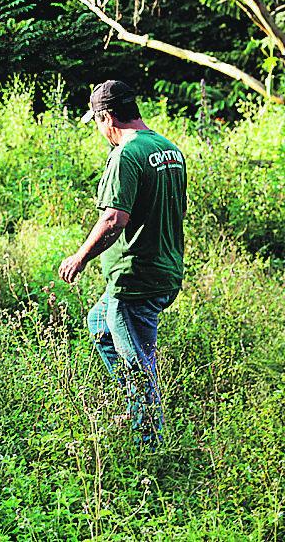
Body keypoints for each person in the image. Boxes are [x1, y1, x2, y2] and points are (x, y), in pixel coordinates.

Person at [58, 80, 187, 446]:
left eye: (98, 122)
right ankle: (135, 405)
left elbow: (114, 219)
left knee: (138, 368)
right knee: (99, 322)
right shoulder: (169, 149)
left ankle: (150, 446)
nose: (100, 131)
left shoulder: (126, 155)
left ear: (107, 116)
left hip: (135, 280)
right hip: (164, 270)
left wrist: (80, 257)